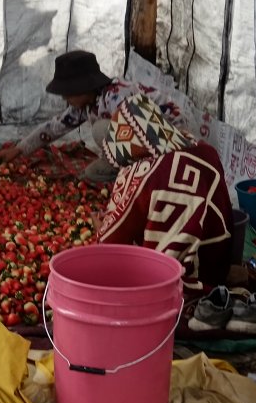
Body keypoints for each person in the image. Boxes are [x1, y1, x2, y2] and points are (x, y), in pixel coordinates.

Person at [94, 92, 233, 294]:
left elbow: (111, 242)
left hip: (169, 284)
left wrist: (101, 227)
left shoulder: (144, 174)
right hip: (218, 266)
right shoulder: (205, 150)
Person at [0, 50, 198, 182]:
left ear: (84, 87)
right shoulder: (87, 104)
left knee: (101, 129)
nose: (65, 98)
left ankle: (144, 176)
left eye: (68, 93)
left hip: (172, 143)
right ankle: (131, 174)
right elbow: (55, 127)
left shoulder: (117, 97)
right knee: (91, 174)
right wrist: (19, 149)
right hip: (141, 144)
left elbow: (143, 132)